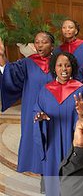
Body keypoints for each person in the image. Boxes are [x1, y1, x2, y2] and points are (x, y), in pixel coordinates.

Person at [34, 51, 83, 196]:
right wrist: (40, 118)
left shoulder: (81, 90)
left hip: (74, 139)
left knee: (78, 172)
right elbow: (36, 111)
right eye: (59, 65)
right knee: (53, 172)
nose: (64, 69)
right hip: (52, 137)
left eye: (67, 65)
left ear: (73, 67)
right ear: (54, 68)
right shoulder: (45, 91)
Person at [0, 32, 55, 174]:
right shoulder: (27, 62)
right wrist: (2, 56)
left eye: (44, 42)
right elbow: (11, 74)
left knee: (53, 139)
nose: (40, 45)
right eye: (37, 42)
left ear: (52, 45)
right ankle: (37, 167)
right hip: (32, 108)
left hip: (54, 108)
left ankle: (51, 171)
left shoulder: (60, 62)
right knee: (33, 136)